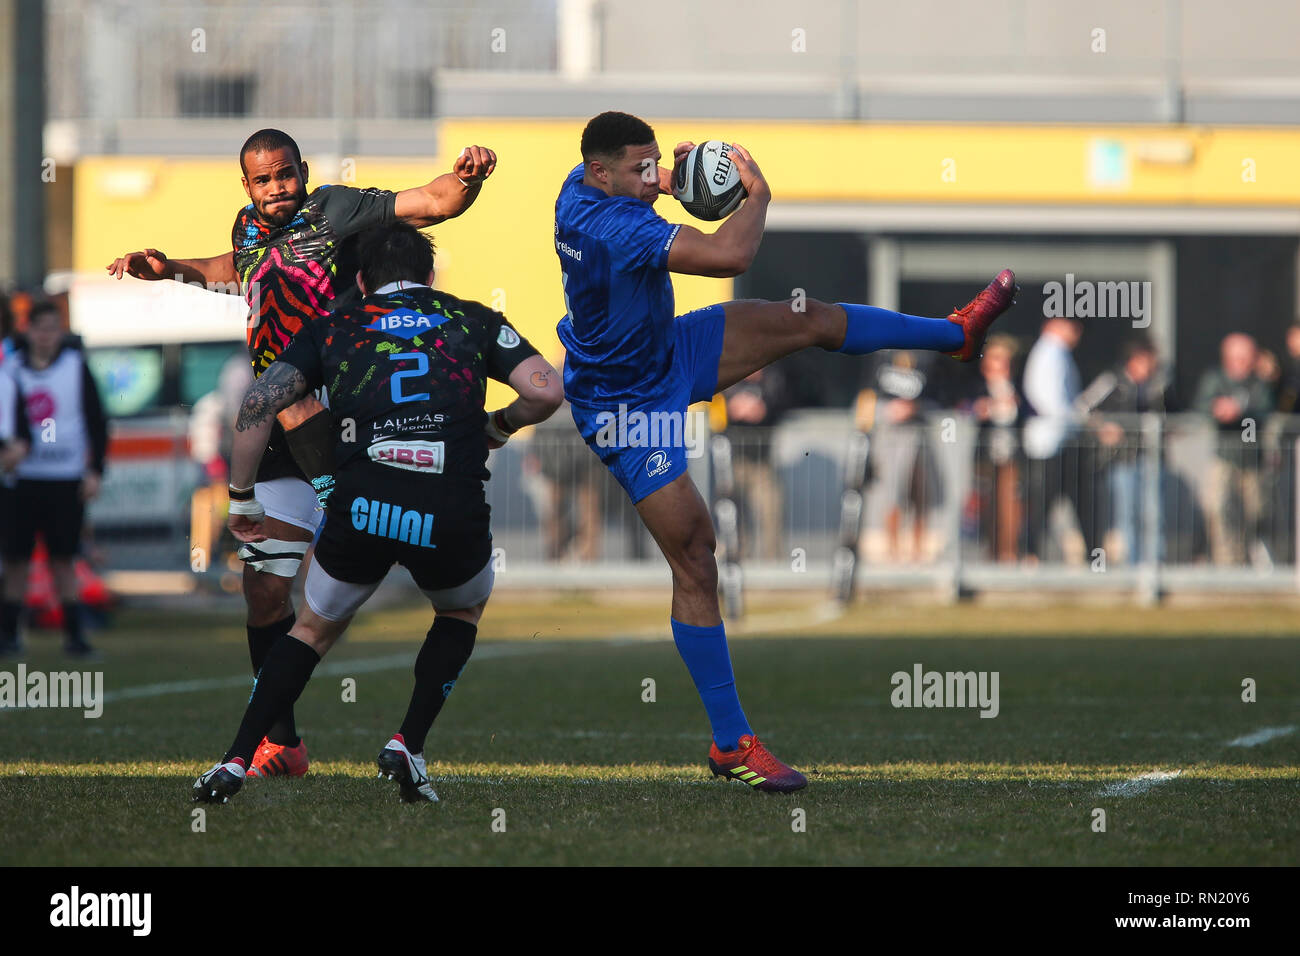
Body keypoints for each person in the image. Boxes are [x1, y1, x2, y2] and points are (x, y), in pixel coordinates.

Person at [554, 111, 1016, 792]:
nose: (653, 178)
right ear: (600, 173)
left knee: (809, 318)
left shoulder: (586, 184)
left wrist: (672, 181)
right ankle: (730, 743)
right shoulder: (610, 225)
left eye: (656, 165)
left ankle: (956, 334)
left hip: (665, 349)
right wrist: (756, 196)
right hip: (625, 405)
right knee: (697, 555)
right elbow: (730, 256)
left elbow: (647, 194)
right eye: (639, 170)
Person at [107, 129, 497, 778]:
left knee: (342, 585)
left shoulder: (335, 211)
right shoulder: (248, 228)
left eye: (286, 174)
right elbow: (236, 271)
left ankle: (433, 659)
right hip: (277, 440)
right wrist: (171, 269)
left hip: (338, 421)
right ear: (246, 186)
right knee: (263, 588)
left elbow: (431, 202)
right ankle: (281, 744)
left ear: (304, 172)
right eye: (264, 179)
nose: (277, 187)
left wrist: (468, 178)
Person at [193, 222, 562, 804]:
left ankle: (236, 759)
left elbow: (260, 400)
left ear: (361, 281)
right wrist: (498, 426)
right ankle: (408, 742)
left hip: (362, 501)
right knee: (461, 609)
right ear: (431, 276)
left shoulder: (336, 324)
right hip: (447, 505)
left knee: (310, 631)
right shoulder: (472, 318)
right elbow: (546, 389)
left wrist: (241, 496)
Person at [0, 302, 108, 658]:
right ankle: (9, 634)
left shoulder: (75, 368)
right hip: (22, 477)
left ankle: (75, 635)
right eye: (40, 328)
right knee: (17, 558)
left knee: (63, 558)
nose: (46, 336)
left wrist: (95, 471)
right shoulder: (12, 370)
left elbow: (97, 421)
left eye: (52, 328)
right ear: (28, 330)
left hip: (65, 477)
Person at [1193, 333, 1274, 566]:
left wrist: (1242, 413)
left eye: (1247, 357)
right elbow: (1200, 407)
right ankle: (1227, 564)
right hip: (1224, 456)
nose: (1243, 362)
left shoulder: (1259, 383)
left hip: (1253, 459)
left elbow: (1266, 412)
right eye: (1238, 357)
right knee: (1218, 509)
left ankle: (1254, 561)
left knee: (1255, 513)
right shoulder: (1214, 379)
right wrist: (1217, 410)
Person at [1022, 315, 1095, 564]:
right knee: (1045, 505)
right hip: (1052, 442)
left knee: (1069, 503)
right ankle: (1030, 555)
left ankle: (1090, 555)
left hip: (1059, 440)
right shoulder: (1051, 353)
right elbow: (1053, 402)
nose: (1077, 333)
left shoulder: (1055, 353)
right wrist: (1083, 420)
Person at [1090, 337, 1170, 565]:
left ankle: (1154, 565)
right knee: (1127, 515)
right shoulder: (1111, 381)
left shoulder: (1159, 385)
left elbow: (1175, 414)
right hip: (1122, 460)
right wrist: (1103, 428)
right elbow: (1083, 408)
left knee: (1154, 515)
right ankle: (1132, 567)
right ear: (1135, 360)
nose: (1152, 366)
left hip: (1152, 459)